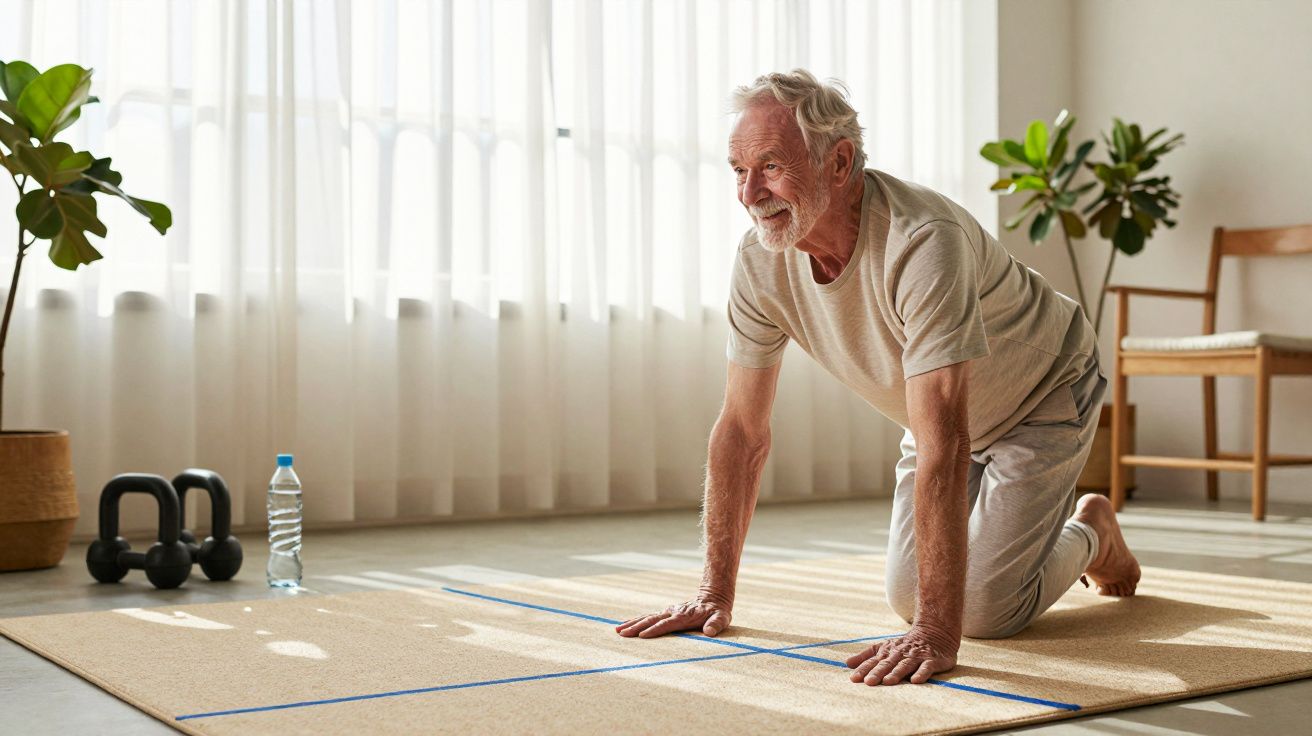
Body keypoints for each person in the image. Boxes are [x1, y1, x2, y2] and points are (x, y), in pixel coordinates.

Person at [613, 69, 1141, 687]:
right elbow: (741, 429)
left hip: (1043, 391)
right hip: (940, 419)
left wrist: (937, 634)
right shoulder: (759, 263)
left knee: (981, 612)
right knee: (908, 597)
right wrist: (713, 593)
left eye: (771, 166)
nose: (748, 193)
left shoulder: (923, 242)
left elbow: (945, 436)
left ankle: (1091, 530)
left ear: (839, 163)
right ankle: (1025, 555)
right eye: (737, 170)